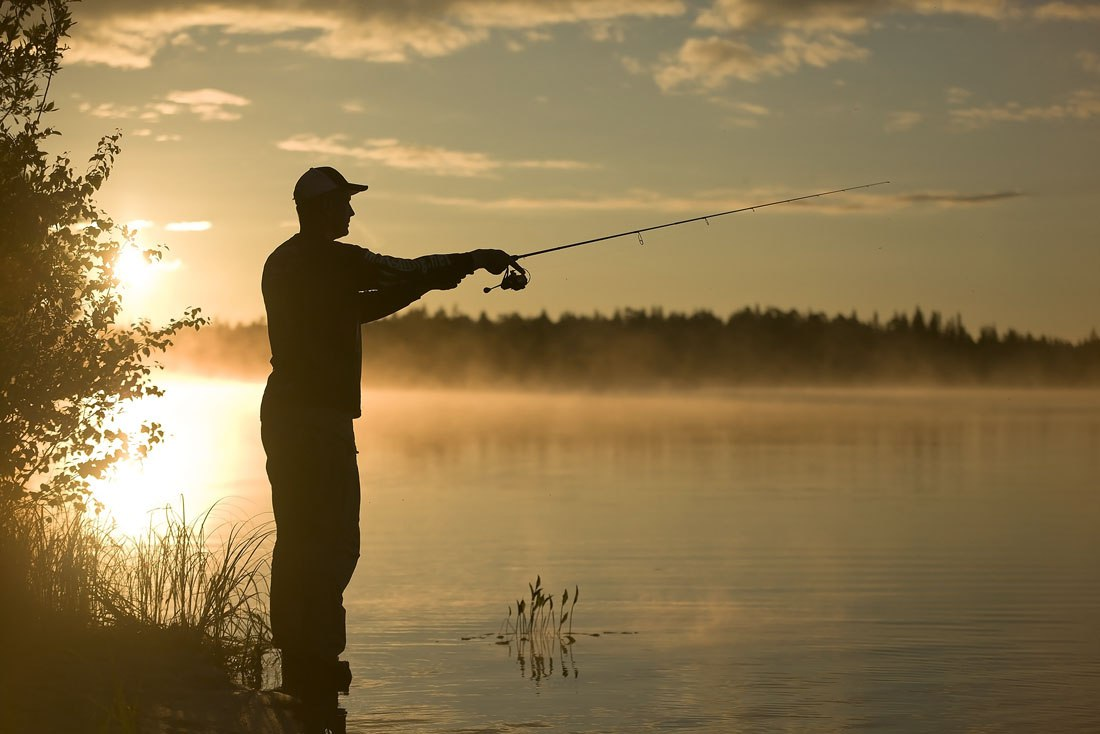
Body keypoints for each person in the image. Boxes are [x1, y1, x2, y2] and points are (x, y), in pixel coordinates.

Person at [260, 166, 514, 707]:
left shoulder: (288, 263)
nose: (352, 213)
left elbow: (362, 306)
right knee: (333, 539)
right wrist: (473, 260)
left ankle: (299, 662)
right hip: (316, 420)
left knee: (300, 536)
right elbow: (397, 268)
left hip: (287, 416)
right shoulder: (328, 258)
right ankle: (317, 661)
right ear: (321, 209)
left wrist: (425, 283)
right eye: (344, 204)